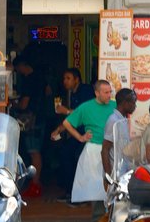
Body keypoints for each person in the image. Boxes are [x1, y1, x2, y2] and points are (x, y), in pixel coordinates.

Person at [74, 87, 136, 222]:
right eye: (133, 101)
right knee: (114, 213)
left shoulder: (122, 120)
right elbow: (105, 149)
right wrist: (109, 177)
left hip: (122, 175)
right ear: (124, 103)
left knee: (117, 214)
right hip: (114, 177)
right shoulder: (113, 121)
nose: (135, 105)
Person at [61, 80, 118, 204]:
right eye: (106, 92)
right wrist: (80, 137)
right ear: (97, 93)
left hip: (112, 149)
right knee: (96, 186)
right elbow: (66, 123)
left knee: (112, 184)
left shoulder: (115, 105)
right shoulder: (86, 107)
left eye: (110, 92)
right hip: (94, 149)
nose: (109, 95)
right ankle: (97, 217)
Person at [53, 68, 95, 202]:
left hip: (90, 133)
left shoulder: (86, 91)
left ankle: (80, 194)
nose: (65, 81)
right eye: (64, 78)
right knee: (65, 154)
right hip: (78, 133)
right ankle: (71, 192)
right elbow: (74, 119)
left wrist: (66, 111)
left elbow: (83, 115)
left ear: (77, 79)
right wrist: (59, 129)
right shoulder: (73, 93)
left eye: (68, 78)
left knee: (77, 158)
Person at [12, 55, 46, 198]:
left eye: (17, 68)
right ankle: (35, 183)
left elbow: (24, 104)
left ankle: (35, 184)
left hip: (31, 121)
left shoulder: (28, 81)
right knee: (35, 151)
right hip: (40, 118)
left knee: (34, 152)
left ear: (22, 65)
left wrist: (15, 105)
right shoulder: (41, 78)